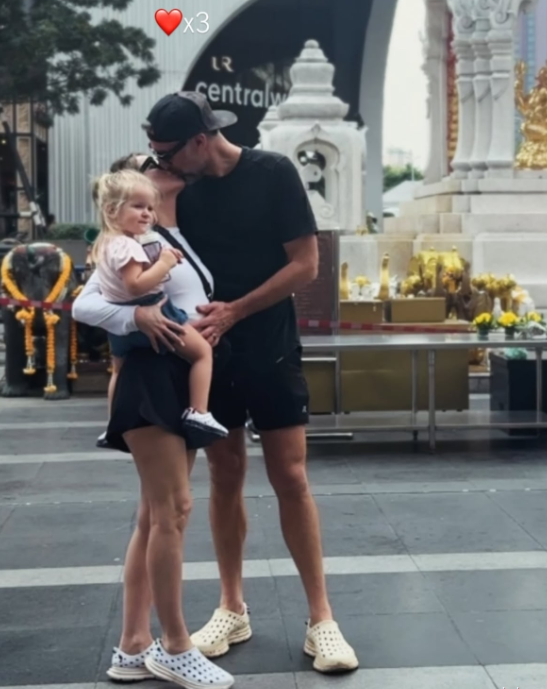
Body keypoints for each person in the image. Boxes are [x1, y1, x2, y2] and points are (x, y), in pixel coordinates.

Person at [73, 91, 358, 675]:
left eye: (167, 154)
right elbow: (116, 259)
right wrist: (134, 320)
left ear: (200, 141)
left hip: (267, 342)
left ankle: (321, 617)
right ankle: (231, 606)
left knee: (291, 475)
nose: (160, 166)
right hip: (202, 355)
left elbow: (306, 264)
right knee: (224, 475)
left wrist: (236, 311)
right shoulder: (174, 190)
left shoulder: (272, 172)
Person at [91, 168, 227, 446]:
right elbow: (135, 285)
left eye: (150, 208)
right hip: (154, 312)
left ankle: (112, 423)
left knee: (118, 371)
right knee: (202, 353)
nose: (147, 214)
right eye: (138, 207)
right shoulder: (128, 246)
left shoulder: (107, 244)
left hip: (120, 327)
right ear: (112, 210)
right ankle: (199, 411)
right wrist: (164, 264)